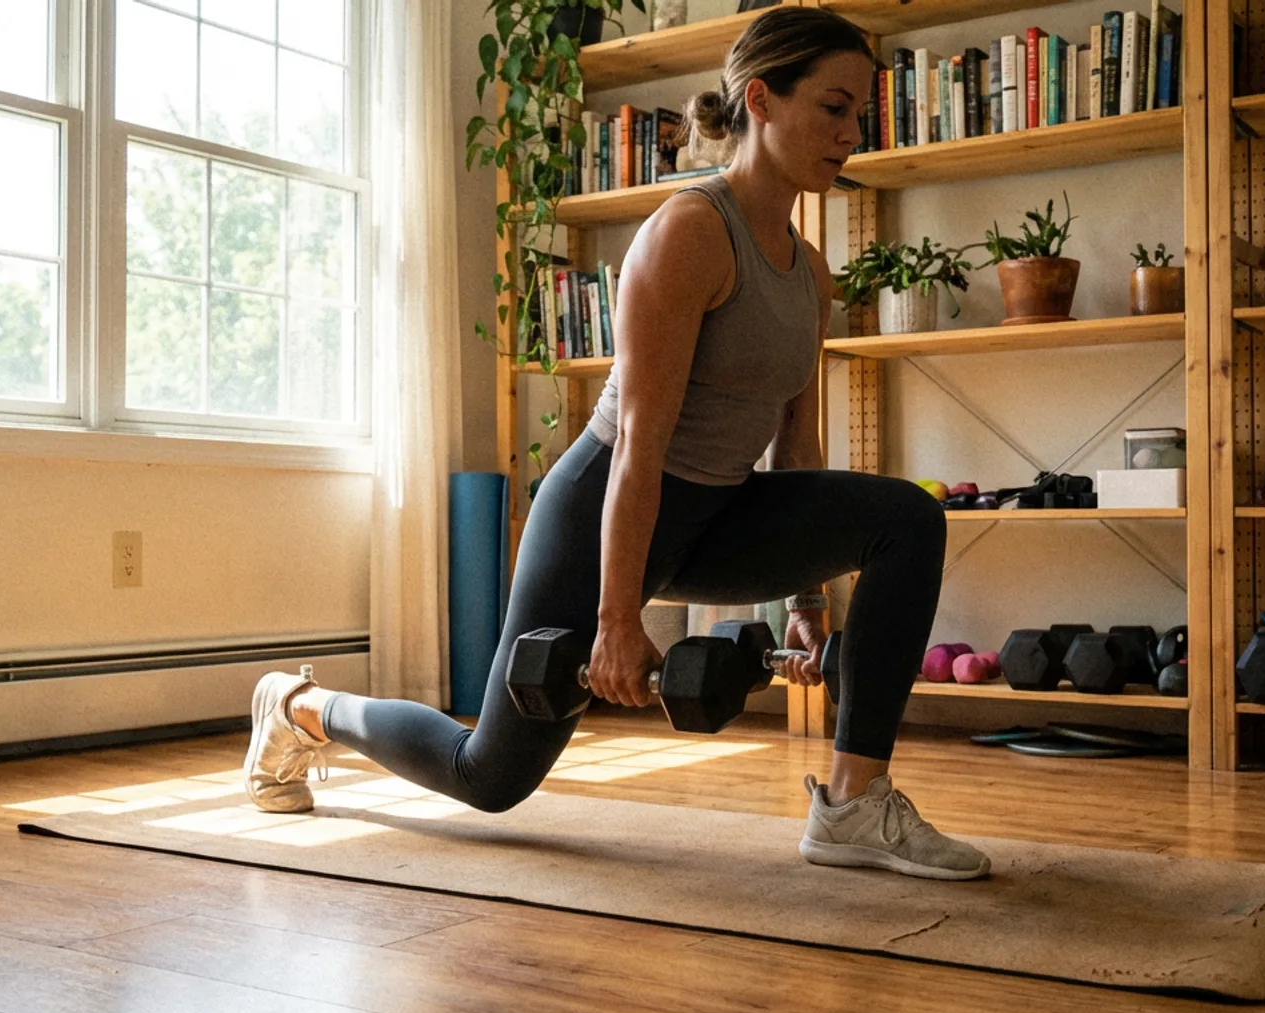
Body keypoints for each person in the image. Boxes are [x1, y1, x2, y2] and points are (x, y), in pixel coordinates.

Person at [244, 7, 991, 882]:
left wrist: (808, 604)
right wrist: (616, 618)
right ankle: (300, 709)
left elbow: (799, 443)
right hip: (605, 503)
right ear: (760, 99)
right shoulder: (689, 234)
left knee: (907, 518)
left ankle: (855, 807)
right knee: (489, 775)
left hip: (717, 510)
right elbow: (639, 444)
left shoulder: (808, 265)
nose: (850, 133)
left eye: (859, 114)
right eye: (833, 108)